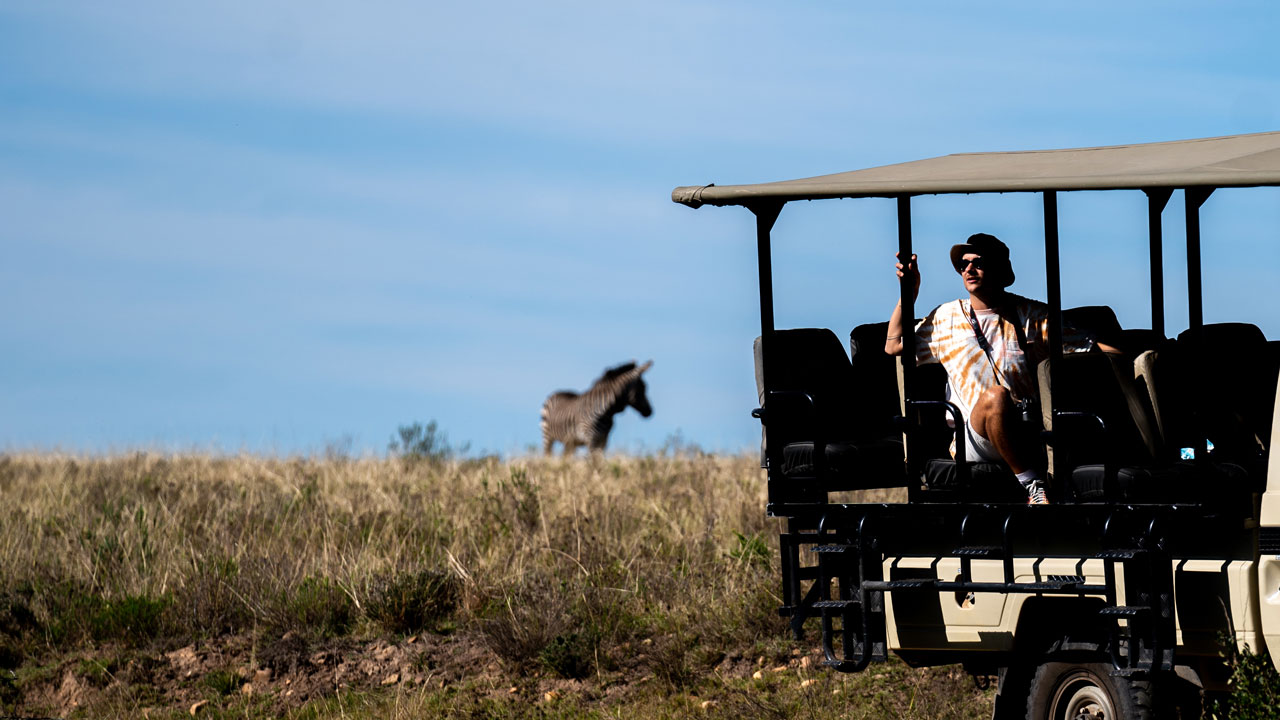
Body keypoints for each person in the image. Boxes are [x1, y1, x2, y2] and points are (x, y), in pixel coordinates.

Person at [885, 233, 1103, 505]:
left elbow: (1090, 349)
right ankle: (1032, 484)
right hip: (974, 438)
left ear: (999, 270)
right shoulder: (947, 317)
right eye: (963, 265)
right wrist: (909, 293)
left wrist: (1132, 361)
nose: (969, 270)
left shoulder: (1029, 315)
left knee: (1016, 405)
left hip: (1023, 428)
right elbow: (893, 346)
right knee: (996, 396)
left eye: (978, 263)